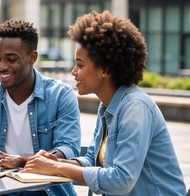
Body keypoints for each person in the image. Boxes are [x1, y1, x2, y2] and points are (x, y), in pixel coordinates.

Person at [22, 11, 186, 195]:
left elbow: (121, 180)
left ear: (106, 69)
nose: (74, 72)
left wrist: (57, 169)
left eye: (80, 65)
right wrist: (54, 162)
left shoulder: (135, 107)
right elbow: (93, 160)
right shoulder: (108, 107)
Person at [0, 19, 81, 196]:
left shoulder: (60, 95)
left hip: (45, 192)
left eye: (11, 59)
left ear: (32, 57)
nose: (1, 66)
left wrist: (21, 161)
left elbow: (67, 149)